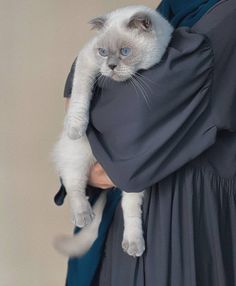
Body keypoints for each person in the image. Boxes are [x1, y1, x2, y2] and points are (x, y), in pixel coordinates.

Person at [57, 0, 236, 285]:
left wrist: (80, 96)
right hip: (124, 215)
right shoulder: (168, 9)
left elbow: (135, 118)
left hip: (178, 218)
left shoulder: (224, 17)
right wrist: (82, 166)